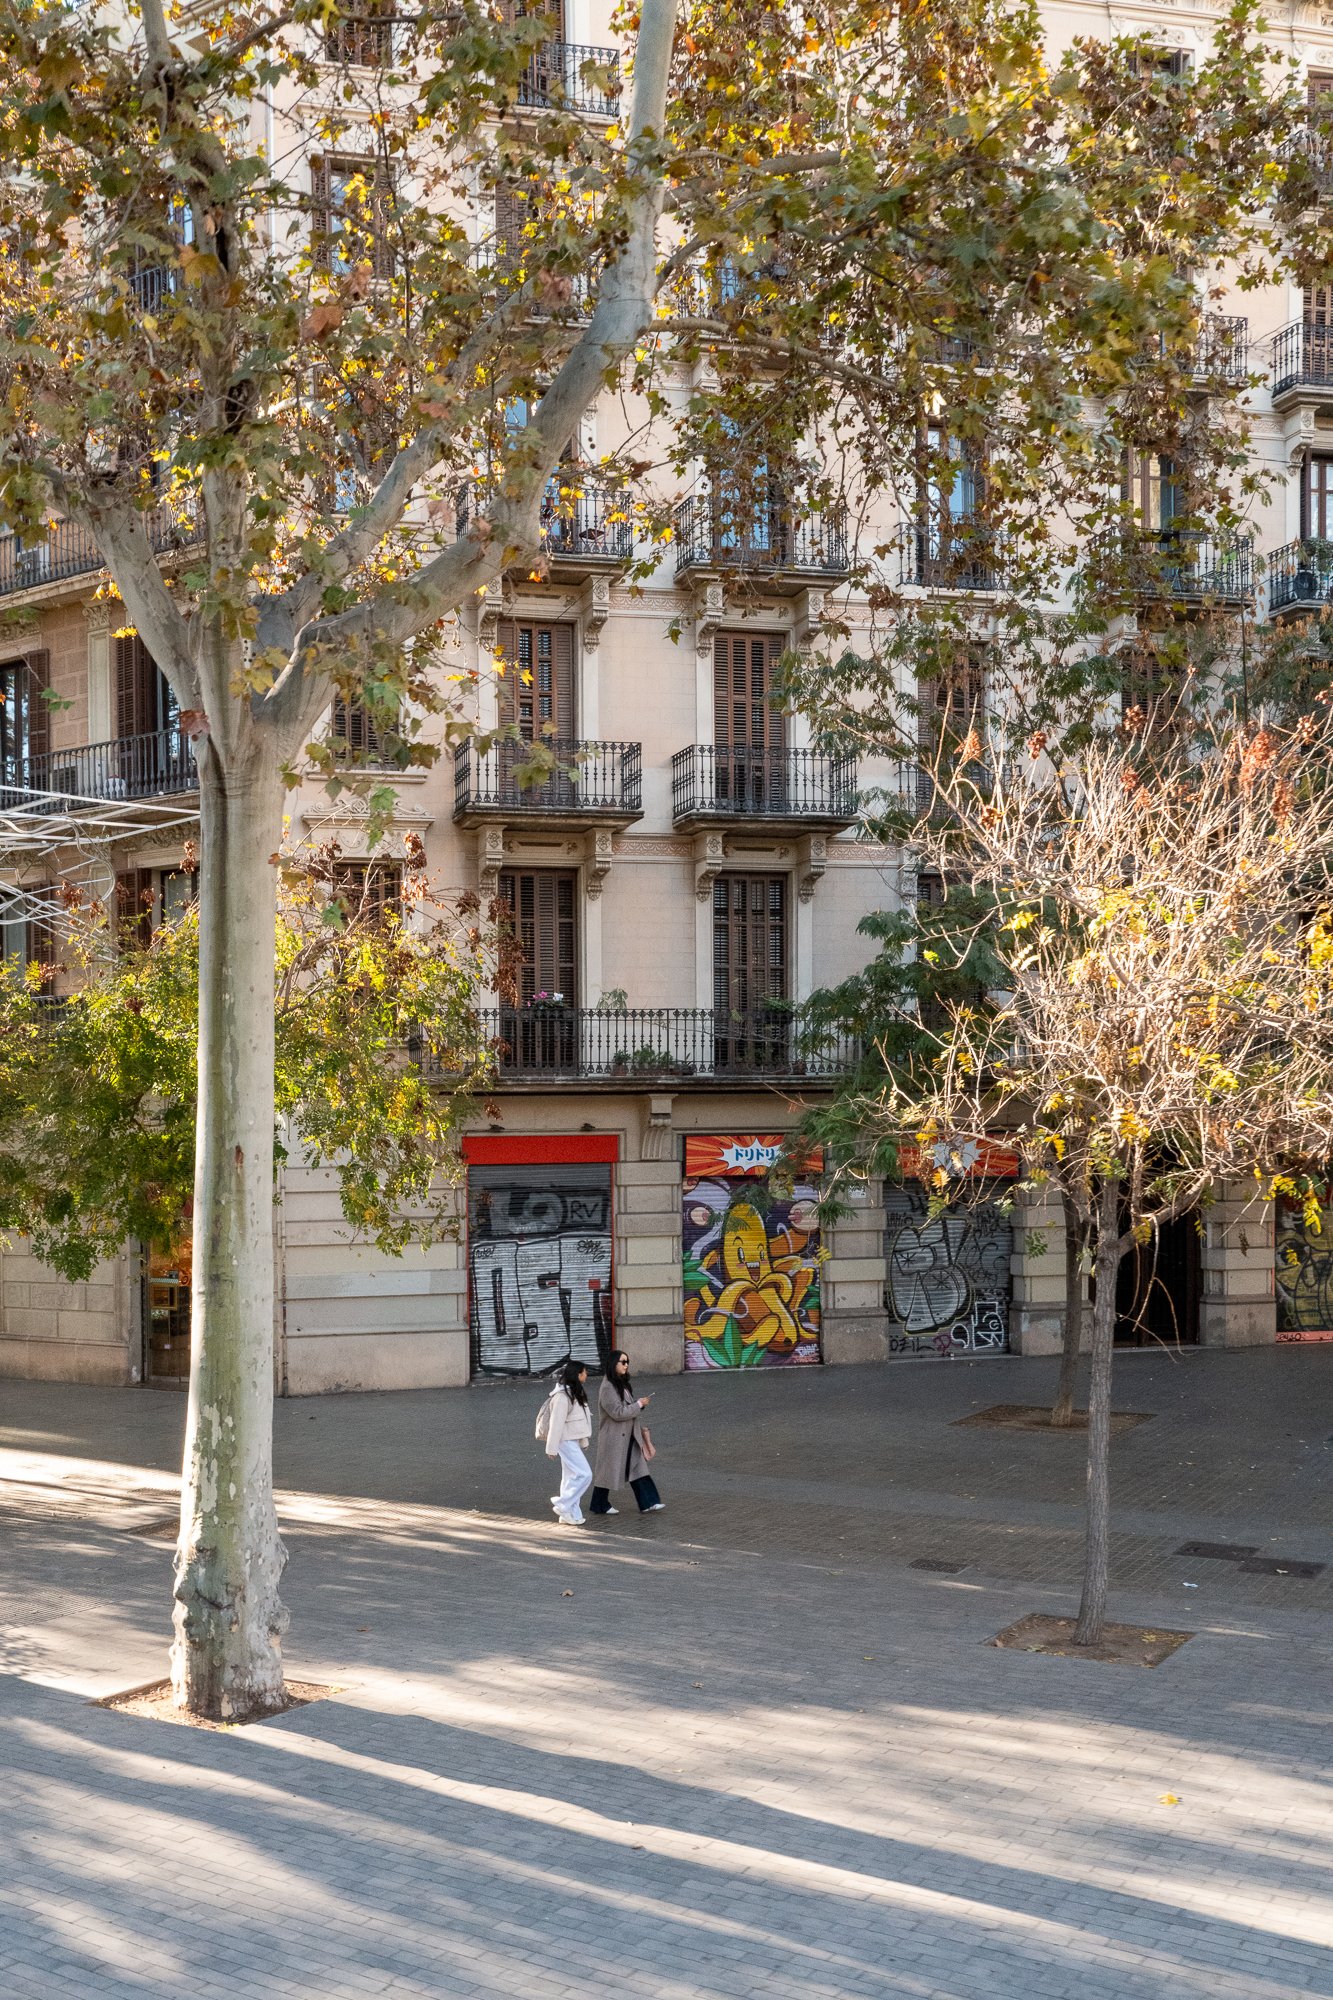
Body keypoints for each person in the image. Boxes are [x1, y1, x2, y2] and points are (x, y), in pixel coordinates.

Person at [590, 1348, 665, 1516]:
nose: (626, 1365)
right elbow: (617, 1412)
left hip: (629, 1434)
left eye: (627, 1362)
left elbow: (625, 1409)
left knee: (638, 1467)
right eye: (623, 1362)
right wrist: (638, 1405)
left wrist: (639, 1405)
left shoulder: (620, 1383)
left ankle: (649, 1502)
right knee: (607, 1473)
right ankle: (599, 1504)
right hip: (614, 1437)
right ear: (613, 1364)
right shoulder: (608, 1387)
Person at [544, 1359, 593, 1526]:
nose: (586, 1374)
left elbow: (581, 1421)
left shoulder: (575, 1392)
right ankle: (563, 1504)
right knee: (585, 1474)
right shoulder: (562, 1396)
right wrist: (551, 1447)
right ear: (577, 1374)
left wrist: (583, 1441)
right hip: (565, 1441)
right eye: (584, 1372)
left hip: (571, 1439)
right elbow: (556, 1423)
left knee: (570, 1477)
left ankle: (571, 1514)